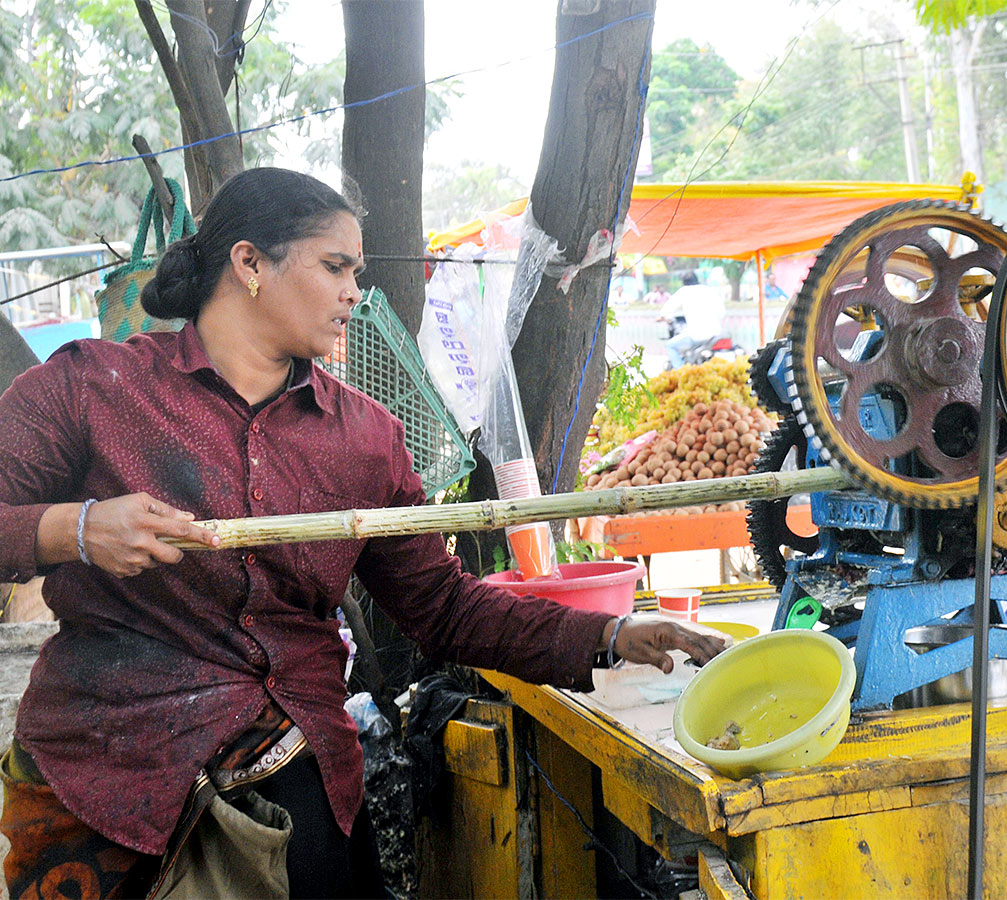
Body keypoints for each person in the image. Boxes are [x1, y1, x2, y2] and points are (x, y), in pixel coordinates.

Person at [0, 167, 726, 899]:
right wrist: (76, 530)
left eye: (358, 272)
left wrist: (606, 638)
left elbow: (442, 607)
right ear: (249, 264)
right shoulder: (92, 388)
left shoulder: (365, 438)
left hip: (294, 772)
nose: (354, 292)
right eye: (335, 267)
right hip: (106, 771)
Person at [658, 271, 726, 369]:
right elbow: (722, 312)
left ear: (683, 282)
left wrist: (663, 317)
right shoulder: (709, 290)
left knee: (670, 345)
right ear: (697, 279)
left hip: (697, 336)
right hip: (717, 334)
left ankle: (681, 372)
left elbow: (667, 309)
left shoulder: (684, 291)